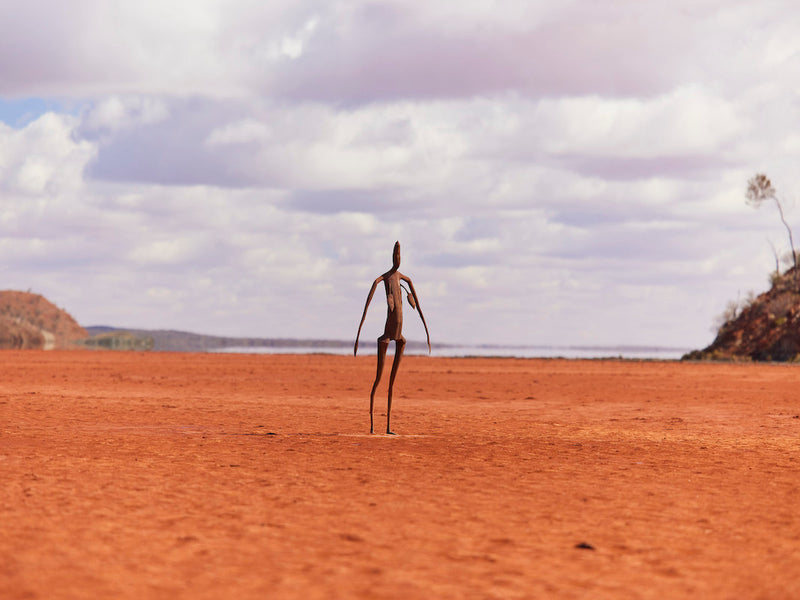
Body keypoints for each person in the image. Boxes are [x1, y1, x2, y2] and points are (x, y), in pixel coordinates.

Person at [354, 241, 430, 434]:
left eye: (400, 256)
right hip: (386, 337)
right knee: (379, 378)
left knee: (392, 382)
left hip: (400, 337)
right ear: (392, 257)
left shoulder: (405, 279)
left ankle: (388, 427)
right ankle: (372, 425)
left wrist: (425, 328)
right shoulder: (382, 279)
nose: (398, 259)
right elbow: (367, 304)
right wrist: (359, 332)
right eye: (395, 256)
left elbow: (418, 306)